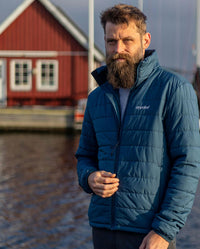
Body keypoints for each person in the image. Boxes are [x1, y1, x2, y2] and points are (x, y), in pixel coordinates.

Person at [75, 4, 200, 249]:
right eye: (111, 41)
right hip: (102, 229)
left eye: (127, 40)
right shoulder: (97, 98)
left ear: (145, 40)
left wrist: (164, 231)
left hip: (149, 233)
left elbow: (187, 165)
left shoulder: (174, 90)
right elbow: (84, 156)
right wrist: (89, 177)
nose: (118, 49)